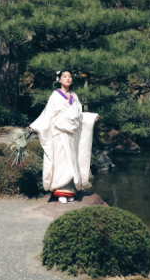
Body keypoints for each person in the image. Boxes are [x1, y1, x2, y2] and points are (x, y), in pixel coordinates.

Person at [28, 70, 98, 204]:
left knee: (71, 161)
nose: (68, 78)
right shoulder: (55, 95)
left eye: (70, 76)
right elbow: (47, 114)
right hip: (59, 132)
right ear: (59, 80)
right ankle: (60, 190)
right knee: (61, 160)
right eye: (65, 76)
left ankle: (70, 190)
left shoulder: (74, 96)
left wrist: (92, 118)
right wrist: (35, 126)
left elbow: (79, 116)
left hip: (71, 135)